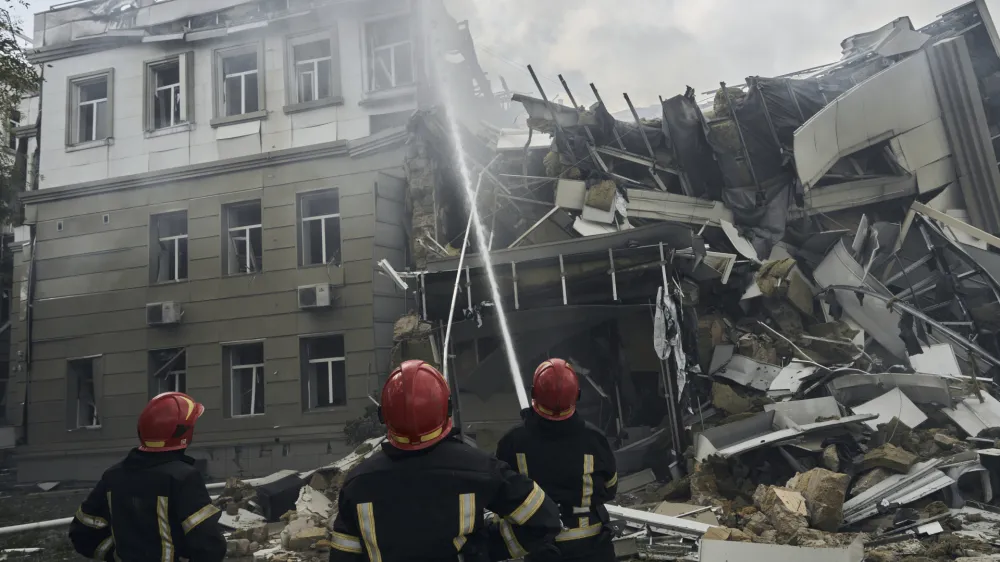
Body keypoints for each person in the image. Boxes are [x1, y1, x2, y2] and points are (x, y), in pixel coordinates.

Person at [329, 360, 563, 562]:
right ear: (446, 408)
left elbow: (343, 557)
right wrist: (483, 550)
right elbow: (545, 520)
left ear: (384, 416)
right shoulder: (481, 469)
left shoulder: (357, 484)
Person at [69, 391, 226, 562]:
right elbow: (210, 547)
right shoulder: (183, 478)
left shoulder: (113, 476)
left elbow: (82, 534)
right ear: (184, 433)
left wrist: (115, 555)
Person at [496, 359, 619, 562]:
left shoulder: (512, 442)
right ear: (577, 395)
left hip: (540, 547)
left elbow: (500, 494)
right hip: (593, 549)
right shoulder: (595, 439)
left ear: (533, 392)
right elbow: (610, 488)